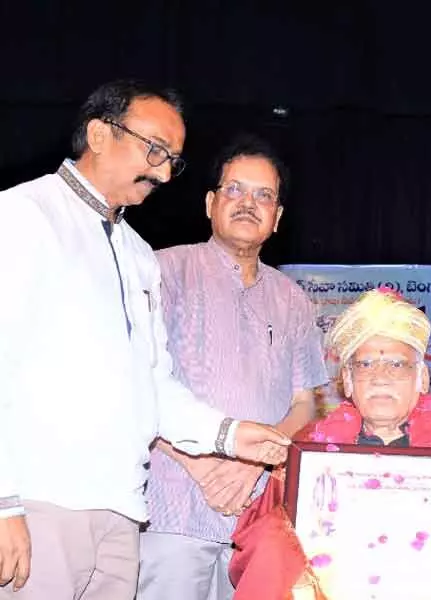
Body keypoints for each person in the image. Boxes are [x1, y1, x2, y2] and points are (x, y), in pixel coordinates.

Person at [0, 80, 291, 600]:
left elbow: (153, 387)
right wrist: (4, 504)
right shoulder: (23, 217)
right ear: (98, 133)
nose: (161, 171)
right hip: (40, 505)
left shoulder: (136, 254)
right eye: (154, 149)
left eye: (172, 160)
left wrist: (228, 435)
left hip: (123, 515)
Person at [228, 289, 431, 599]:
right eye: (365, 365)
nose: (380, 377)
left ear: (422, 378)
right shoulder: (308, 454)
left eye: (397, 364)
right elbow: (254, 560)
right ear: (347, 381)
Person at [138, 136, 329, 599]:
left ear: (278, 217)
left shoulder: (292, 300)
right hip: (173, 508)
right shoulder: (160, 272)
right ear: (210, 203)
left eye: (264, 195)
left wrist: (252, 463)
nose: (249, 203)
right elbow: (135, 386)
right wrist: (199, 464)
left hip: (259, 518)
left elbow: (306, 404)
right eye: (235, 190)